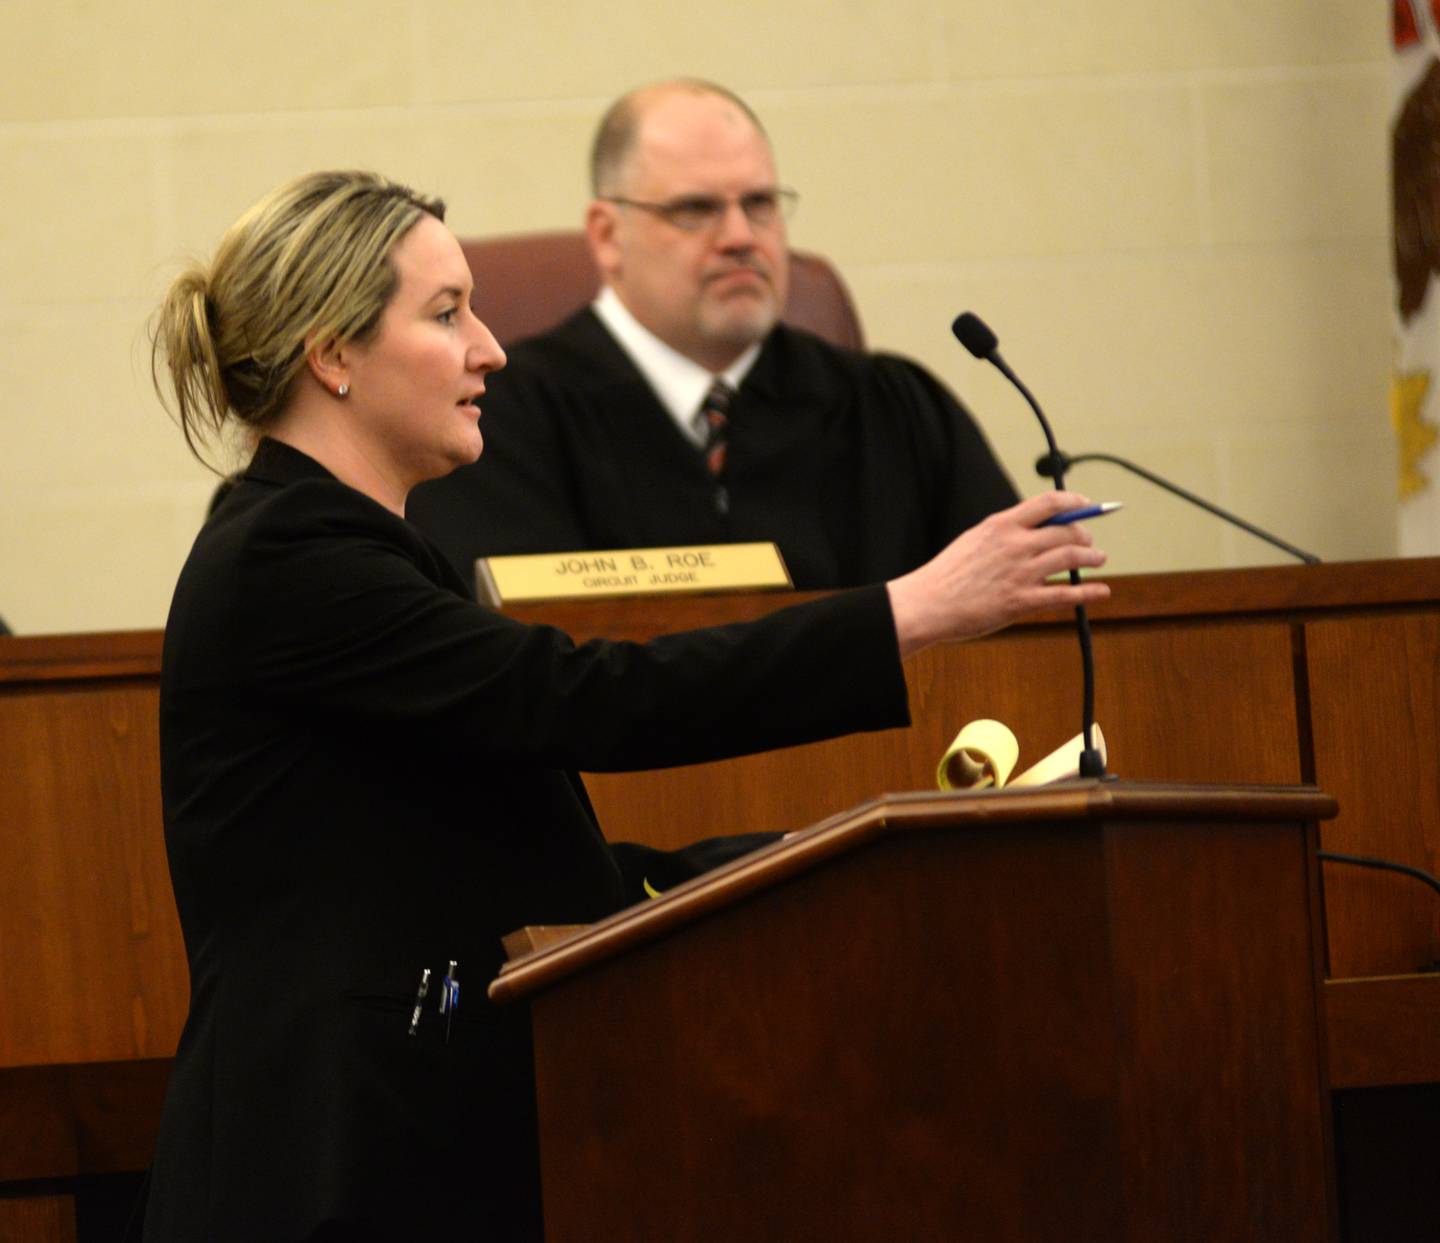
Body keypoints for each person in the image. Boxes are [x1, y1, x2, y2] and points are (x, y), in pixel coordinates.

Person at [145, 169, 1107, 1242]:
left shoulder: (350, 550)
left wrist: (808, 855)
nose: (491, 350)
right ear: (332, 353)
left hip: (406, 1128)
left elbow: (495, 856)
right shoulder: (291, 557)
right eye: (447, 313)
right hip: (330, 1159)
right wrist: (902, 611)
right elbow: (587, 698)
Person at [407, 79, 1018, 590]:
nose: (739, 237)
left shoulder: (895, 409)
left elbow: (1034, 616)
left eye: (759, 203)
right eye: (695, 209)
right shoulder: (497, 418)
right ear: (607, 235)